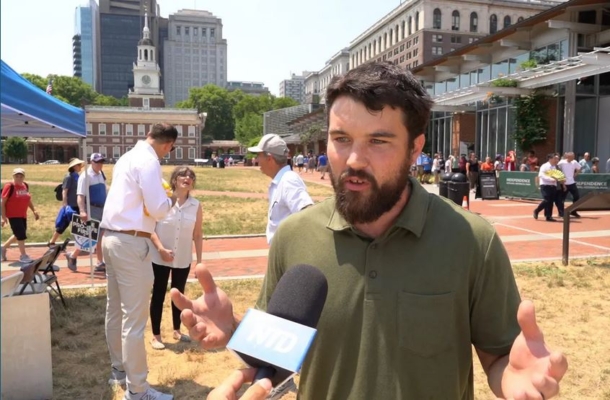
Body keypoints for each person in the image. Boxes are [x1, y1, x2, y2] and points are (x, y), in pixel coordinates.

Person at [172, 62, 567, 400]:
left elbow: (501, 357)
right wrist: (237, 331)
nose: (354, 160)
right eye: (341, 139)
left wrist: (513, 379)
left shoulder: (473, 241)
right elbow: (278, 349)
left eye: (378, 141)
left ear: (415, 148)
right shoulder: (294, 237)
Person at [100, 123, 178, 400]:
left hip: (111, 237)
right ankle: (138, 389)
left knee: (115, 312)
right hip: (132, 241)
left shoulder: (126, 157)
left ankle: (120, 372)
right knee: (133, 320)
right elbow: (158, 209)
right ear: (168, 144)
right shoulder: (149, 161)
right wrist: (171, 199)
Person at [149, 167, 202, 351]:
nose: (187, 178)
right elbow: (150, 229)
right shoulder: (163, 203)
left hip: (183, 258)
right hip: (160, 257)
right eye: (183, 175)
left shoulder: (196, 205)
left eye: (190, 176)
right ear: (174, 180)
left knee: (178, 295)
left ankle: (177, 330)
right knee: (158, 294)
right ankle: (155, 335)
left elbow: (198, 235)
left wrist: (199, 262)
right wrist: (161, 249)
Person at [248, 134, 313, 244]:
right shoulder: (281, 181)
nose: (257, 159)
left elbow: (308, 216)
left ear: (270, 159)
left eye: (259, 155)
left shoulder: (288, 181)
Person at [66, 153, 108, 272]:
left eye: (101, 162)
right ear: (91, 162)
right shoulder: (85, 176)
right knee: (89, 237)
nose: (100, 164)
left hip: (102, 209)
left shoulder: (101, 174)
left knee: (100, 237)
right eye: (98, 162)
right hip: (91, 208)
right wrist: (82, 211)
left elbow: (104, 190)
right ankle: (73, 256)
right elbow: (80, 195)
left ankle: (100, 262)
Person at [1, 168, 40, 263]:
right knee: (21, 234)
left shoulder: (25, 186)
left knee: (18, 234)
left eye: (21, 176)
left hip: (22, 214)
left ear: (24, 177)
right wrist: (2, 217)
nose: (19, 178)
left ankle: (3, 248)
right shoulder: (9, 186)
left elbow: (27, 199)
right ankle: (23, 256)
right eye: (16, 176)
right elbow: (2, 202)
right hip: (13, 215)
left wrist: (34, 210)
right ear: (13, 176)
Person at [48, 158, 85, 247]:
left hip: (77, 205)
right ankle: (52, 242)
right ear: (74, 166)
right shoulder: (69, 176)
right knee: (63, 224)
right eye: (79, 165)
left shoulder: (78, 176)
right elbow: (64, 191)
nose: (80, 166)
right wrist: (65, 204)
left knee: (76, 225)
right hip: (70, 205)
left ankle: (80, 244)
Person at [533, 153, 562, 222]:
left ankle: (548, 216)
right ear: (550, 159)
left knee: (551, 201)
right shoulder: (544, 166)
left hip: (553, 186)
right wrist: (551, 179)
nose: (556, 160)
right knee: (547, 200)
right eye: (555, 158)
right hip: (545, 185)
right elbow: (541, 175)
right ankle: (537, 210)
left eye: (557, 159)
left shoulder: (555, 167)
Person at [557, 152, 581, 218]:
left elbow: (579, 168)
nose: (573, 158)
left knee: (577, 197)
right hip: (564, 183)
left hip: (572, 183)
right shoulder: (562, 162)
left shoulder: (574, 162)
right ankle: (561, 212)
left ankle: (573, 211)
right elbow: (556, 169)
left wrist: (575, 174)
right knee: (562, 199)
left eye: (573, 156)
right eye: (572, 156)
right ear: (568, 157)